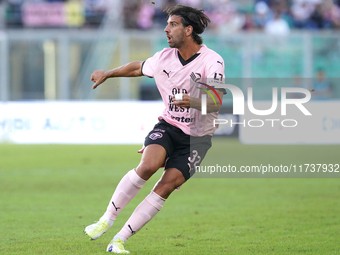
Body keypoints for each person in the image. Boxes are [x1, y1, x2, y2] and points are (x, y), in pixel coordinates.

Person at [84, 4, 226, 254]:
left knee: (167, 184)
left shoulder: (212, 61)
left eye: (172, 24)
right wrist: (108, 73)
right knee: (148, 165)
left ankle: (119, 240)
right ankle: (106, 219)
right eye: (167, 24)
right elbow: (138, 67)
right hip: (169, 126)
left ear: (189, 30)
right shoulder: (163, 58)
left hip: (198, 138)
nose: (166, 29)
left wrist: (192, 101)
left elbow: (215, 101)